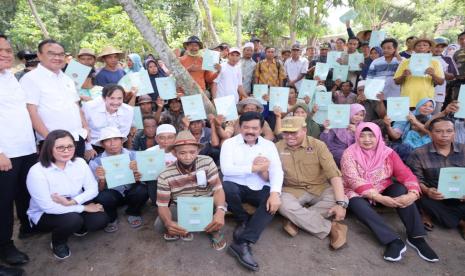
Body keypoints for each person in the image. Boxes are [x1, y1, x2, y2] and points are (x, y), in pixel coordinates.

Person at [341, 122, 439, 262]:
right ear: (356, 136)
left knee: (401, 189)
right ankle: (393, 240)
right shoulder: (349, 153)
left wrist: (413, 194)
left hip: (382, 188)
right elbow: (353, 180)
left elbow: (405, 173)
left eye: (371, 135)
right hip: (358, 192)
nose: (367, 139)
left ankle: (416, 237)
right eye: (362, 136)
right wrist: (378, 197)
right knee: (355, 202)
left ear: (379, 136)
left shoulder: (388, 153)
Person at [26, 130, 108, 259]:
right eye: (60, 147)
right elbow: (48, 206)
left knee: (100, 219)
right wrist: (84, 207)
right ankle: (58, 242)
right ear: (49, 148)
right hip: (46, 213)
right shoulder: (37, 171)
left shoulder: (79, 162)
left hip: (74, 201)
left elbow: (93, 189)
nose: (66, 151)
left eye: (70, 146)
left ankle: (77, 227)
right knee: (73, 220)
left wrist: (73, 202)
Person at [221, 112, 283, 271]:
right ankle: (242, 220)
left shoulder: (269, 145)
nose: (250, 131)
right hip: (236, 185)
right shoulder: (229, 143)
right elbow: (226, 170)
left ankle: (243, 243)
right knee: (227, 187)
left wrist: (275, 193)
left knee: (272, 202)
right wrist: (254, 168)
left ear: (261, 129)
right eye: (246, 127)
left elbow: (277, 171)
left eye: (255, 128)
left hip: (259, 185)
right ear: (239, 127)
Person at [276, 117, 348, 250]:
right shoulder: (277, 147)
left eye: (294, 132)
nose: (289, 136)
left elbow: (334, 174)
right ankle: (332, 227)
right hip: (292, 189)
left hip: (319, 187)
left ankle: (296, 220)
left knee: (342, 198)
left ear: (304, 130)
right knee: (283, 205)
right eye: (286, 132)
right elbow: (272, 174)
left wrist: (340, 204)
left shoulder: (318, 145)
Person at [0, 34, 38, 272]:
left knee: (25, 191)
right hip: (5, 152)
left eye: (7, 49)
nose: (5, 53)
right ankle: (5, 245)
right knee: (3, 202)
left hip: (26, 146)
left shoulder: (10, 77)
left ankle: (28, 225)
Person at [154, 130, 227, 250]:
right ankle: (186, 226)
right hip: (181, 206)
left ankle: (213, 230)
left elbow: (218, 189)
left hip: (207, 203)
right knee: (160, 225)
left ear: (198, 150)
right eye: (182, 153)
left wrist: (220, 210)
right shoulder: (165, 174)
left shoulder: (207, 162)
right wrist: (168, 222)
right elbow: (162, 205)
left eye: (192, 152)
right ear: (174, 153)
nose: (188, 157)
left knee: (220, 211)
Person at [21, 39, 89, 158]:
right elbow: (31, 112)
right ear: (39, 55)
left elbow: (76, 105)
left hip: (77, 137)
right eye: (51, 53)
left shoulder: (67, 79)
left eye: (61, 54)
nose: (57, 57)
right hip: (52, 142)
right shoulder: (30, 79)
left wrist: (85, 128)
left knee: (76, 174)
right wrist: (49, 140)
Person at [407, 117, 465, 239]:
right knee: (421, 199)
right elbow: (416, 179)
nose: (444, 135)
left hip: (461, 195)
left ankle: (450, 217)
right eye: (438, 131)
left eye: (449, 131)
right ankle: (459, 221)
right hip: (435, 196)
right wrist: (428, 191)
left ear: (454, 132)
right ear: (431, 133)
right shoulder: (418, 153)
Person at [90, 127, 148, 232]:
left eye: (116, 139)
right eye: (107, 140)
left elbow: (144, 179)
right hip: (113, 195)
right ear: (102, 144)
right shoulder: (96, 162)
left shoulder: (134, 155)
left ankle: (133, 211)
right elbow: (97, 191)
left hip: (131, 192)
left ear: (122, 141)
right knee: (103, 197)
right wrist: (102, 180)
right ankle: (112, 217)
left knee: (142, 189)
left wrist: (137, 174)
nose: (112, 143)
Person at [82, 84, 134, 159]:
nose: (116, 102)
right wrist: (88, 148)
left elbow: (124, 132)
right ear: (104, 98)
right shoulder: (89, 107)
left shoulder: (128, 110)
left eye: (119, 98)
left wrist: (117, 150)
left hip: (116, 146)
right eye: (112, 98)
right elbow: (83, 128)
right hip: (93, 145)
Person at [394, 38, 444, 108]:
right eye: (418, 45)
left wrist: (433, 74)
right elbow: (396, 81)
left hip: (426, 101)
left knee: (423, 119)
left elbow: (441, 82)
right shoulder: (405, 62)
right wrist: (403, 75)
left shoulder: (435, 62)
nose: (421, 47)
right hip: (407, 99)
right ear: (414, 48)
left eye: (425, 45)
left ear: (429, 48)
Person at [146, 124, 177, 205]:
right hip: (157, 183)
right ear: (156, 139)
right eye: (162, 137)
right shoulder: (149, 153)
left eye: (170, 137)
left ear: (175, 138)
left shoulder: (181, 151)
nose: (166, 141)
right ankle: (159, 204)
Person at [433, 37, 458, 113]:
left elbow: (452, 76)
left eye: (442, 47)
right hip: (422, 91)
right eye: (437, 46)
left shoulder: (447, 59)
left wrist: (439, 71)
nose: (439, 49)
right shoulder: (423, 58)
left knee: (435, 116)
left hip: (438, 92)